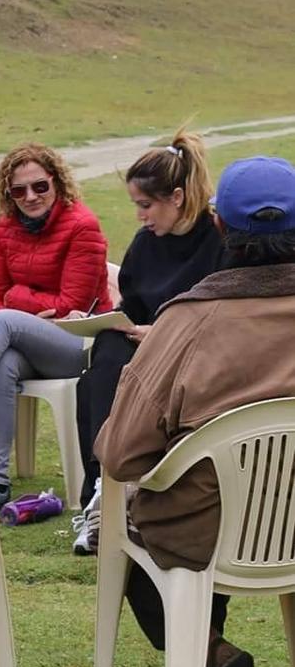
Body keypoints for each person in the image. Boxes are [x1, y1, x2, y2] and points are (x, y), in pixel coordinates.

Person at [97, 155, 295, 667]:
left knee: (154, 524)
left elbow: (121, 454)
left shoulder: (185, 322)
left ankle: (206, 655)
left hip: (208, 532)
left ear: (223, 228)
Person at [71, 131, 223, 555]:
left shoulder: (218, 239)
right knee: (104, 354)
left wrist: (163, 335)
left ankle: (112, 492)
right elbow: (134, 305)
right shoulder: (145, 244)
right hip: (144, 349)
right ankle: (102, 491)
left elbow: (221, 316)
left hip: (197, 355)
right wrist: (111, 321)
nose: (140, 217)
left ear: (176, 197)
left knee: (114, 367)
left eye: (145, 205)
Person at [0, 143, 111, 509]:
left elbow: (69, 307)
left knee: (3, 322)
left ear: (57, 182)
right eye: (19, 190)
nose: (30, 196)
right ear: (8, 193)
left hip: (81, 344)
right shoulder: (6, 226)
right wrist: (20, 304)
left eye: (40, 186)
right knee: (4, 359)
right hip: (32, 340)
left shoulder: (82, 226)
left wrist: (18, 298)